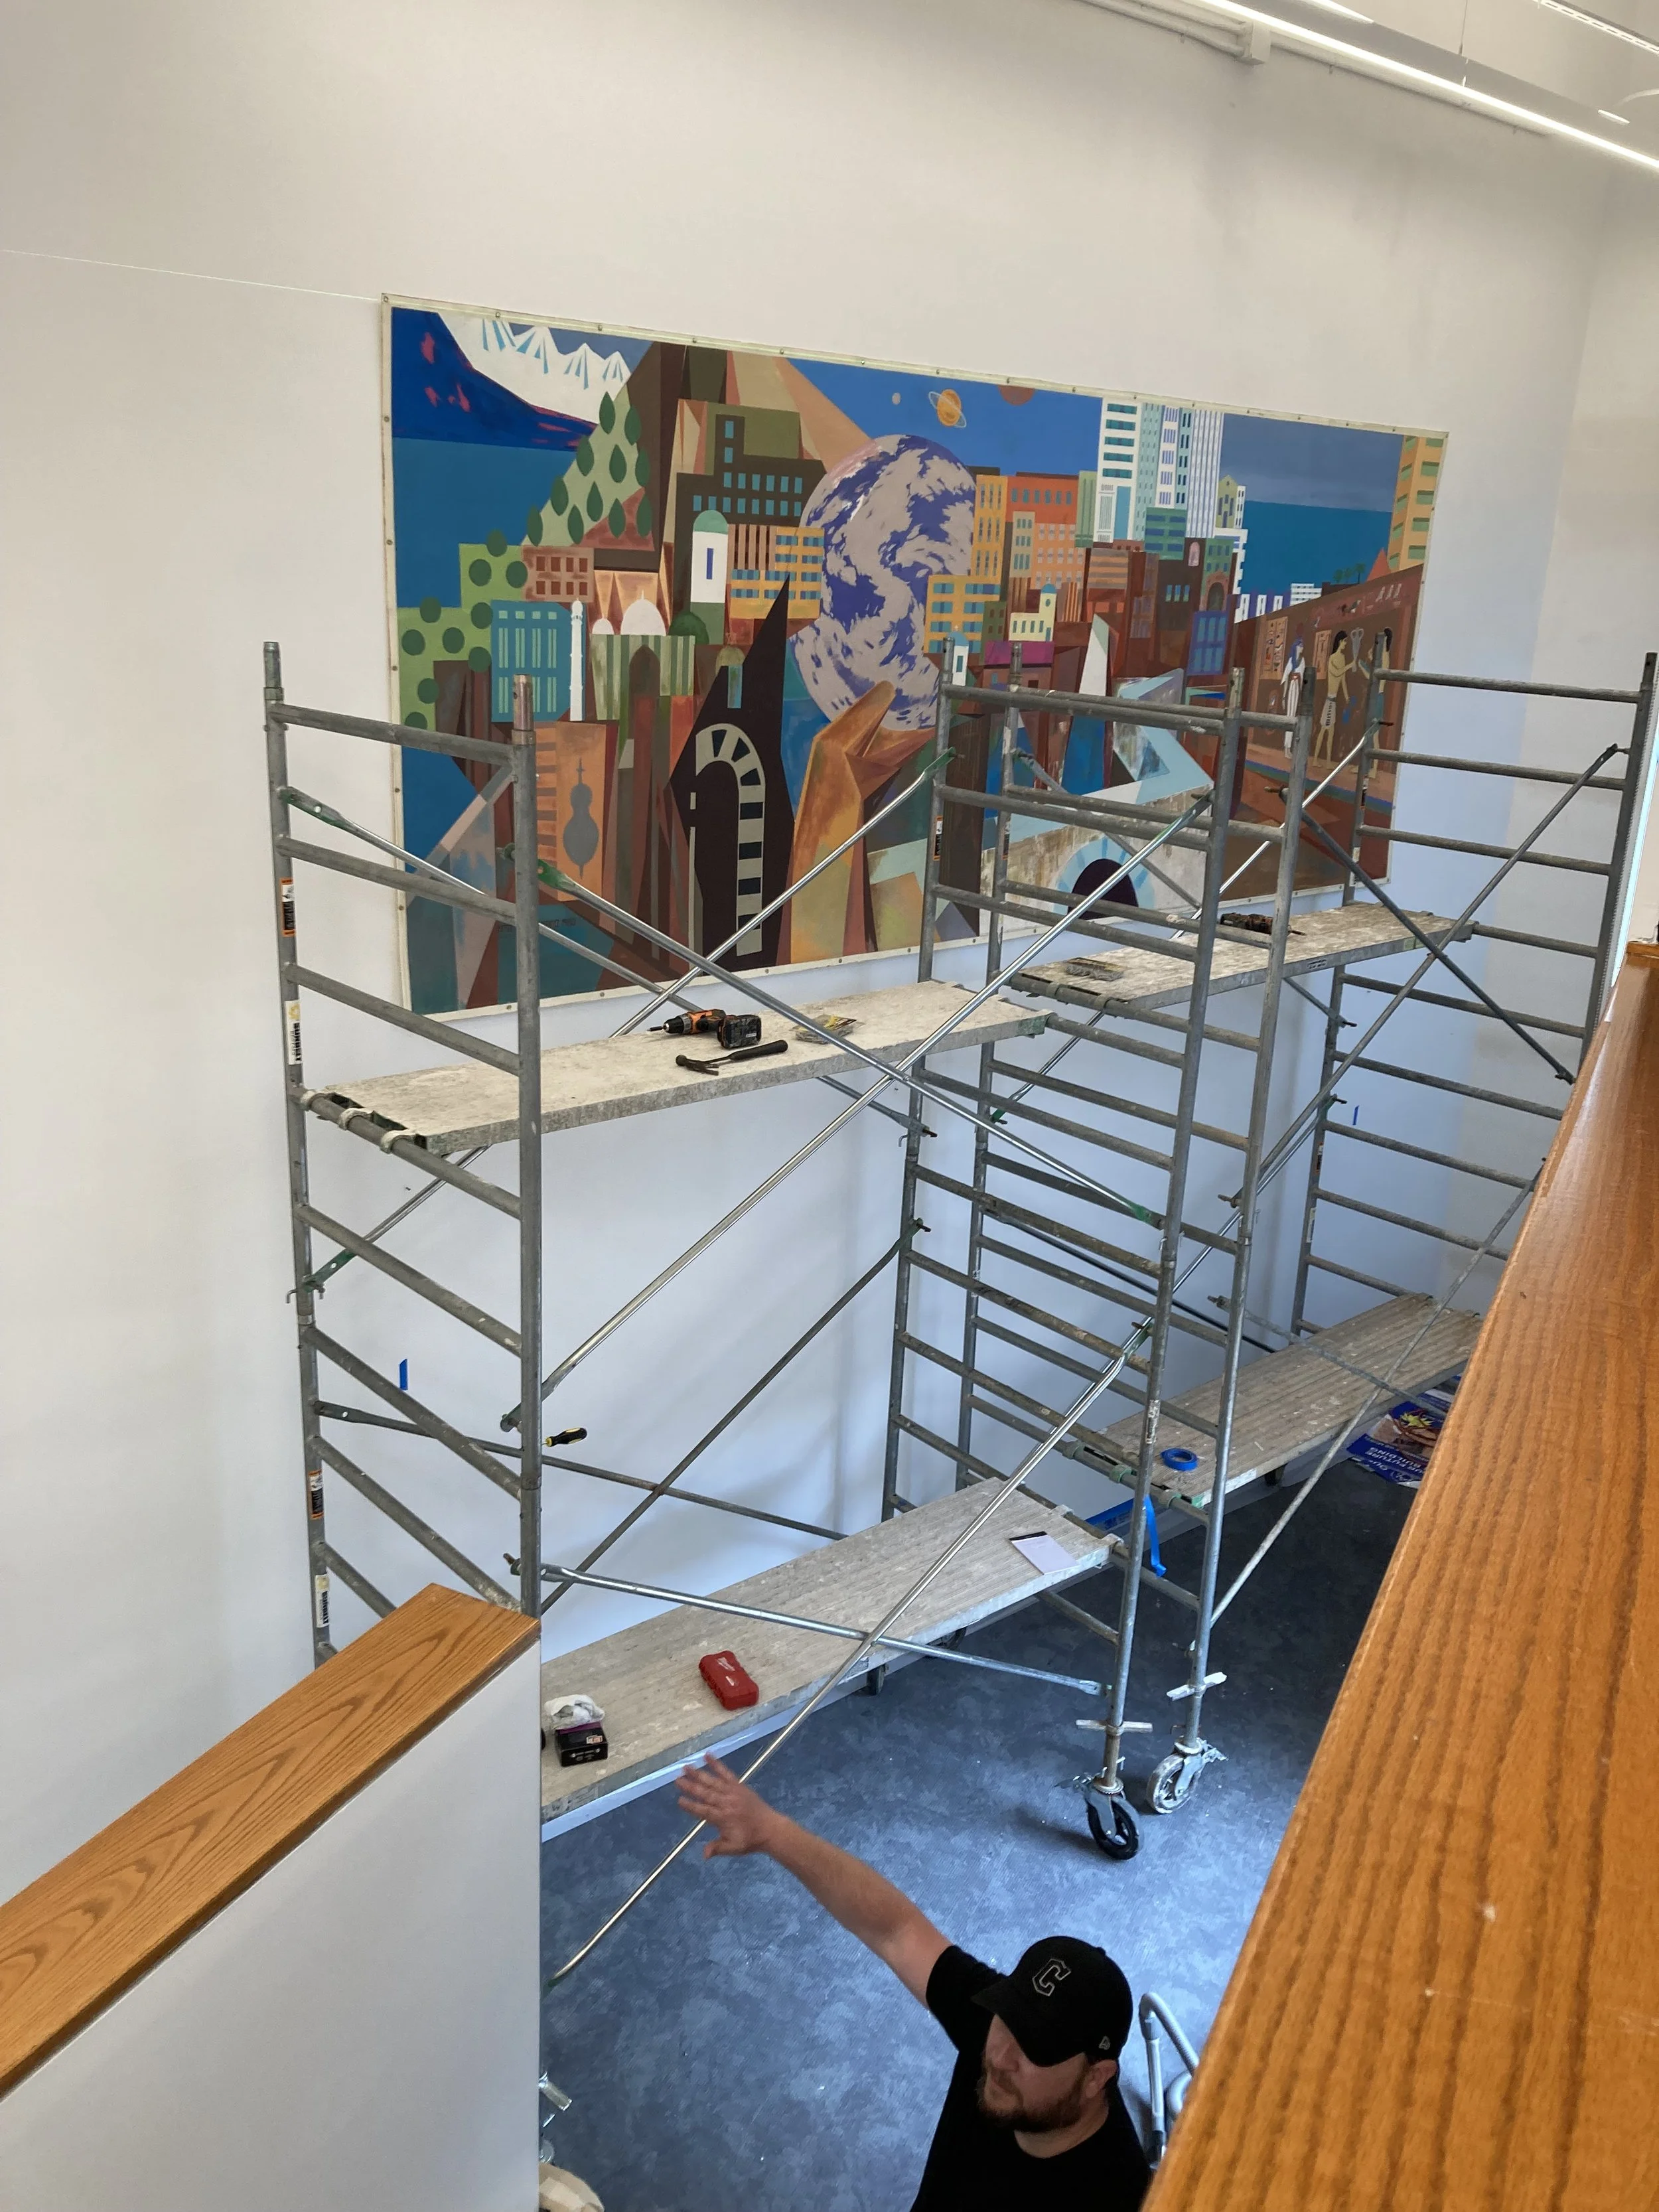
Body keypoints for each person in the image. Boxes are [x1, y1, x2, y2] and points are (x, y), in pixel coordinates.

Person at [677, 1756, 1152, 2209]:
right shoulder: (994, 2031)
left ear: (1097, 2077)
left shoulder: (1118, 2194)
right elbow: (897, 1930)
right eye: (1009, 2018)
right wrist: (773, 1832)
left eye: (1037, 2047)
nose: (1001, 2056)